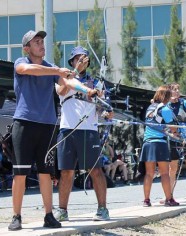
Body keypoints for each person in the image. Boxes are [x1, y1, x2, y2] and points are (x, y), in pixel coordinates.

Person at [9, 30, 96, 231]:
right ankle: (16, 216)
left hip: (48, 125)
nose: (41, 44)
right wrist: (58, 71)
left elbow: (68, 82)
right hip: (24, 123)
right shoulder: (21, 62)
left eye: (42, 41)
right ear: (27, 48)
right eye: (36, 42)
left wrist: (86, 89)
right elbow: (29, 70)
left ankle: (49, 215)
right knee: (20, 174)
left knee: (45, 173)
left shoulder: (51, 68)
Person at [54, 46, 113, 222]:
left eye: (83, 58)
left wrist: (106, 113)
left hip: (89, 130)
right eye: (77, 58)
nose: (81, 61)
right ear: (71, 61)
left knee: (95, 170)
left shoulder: (95, 83)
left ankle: (103, 209)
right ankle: (62, 210)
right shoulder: (64, 77)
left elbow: (102, 107)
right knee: (66, 172)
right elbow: (61, 91)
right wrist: (74, 71)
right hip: (67, 129)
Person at [139, 85, 179, 207]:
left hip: (147, 143)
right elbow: (173, 128)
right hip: (159, 143)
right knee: (165, 173)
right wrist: (176, 132)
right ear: (166, 97)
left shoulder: (150, 108)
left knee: (149, 173)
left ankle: (146, 200)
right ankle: (169, 199)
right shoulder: (165, 109)